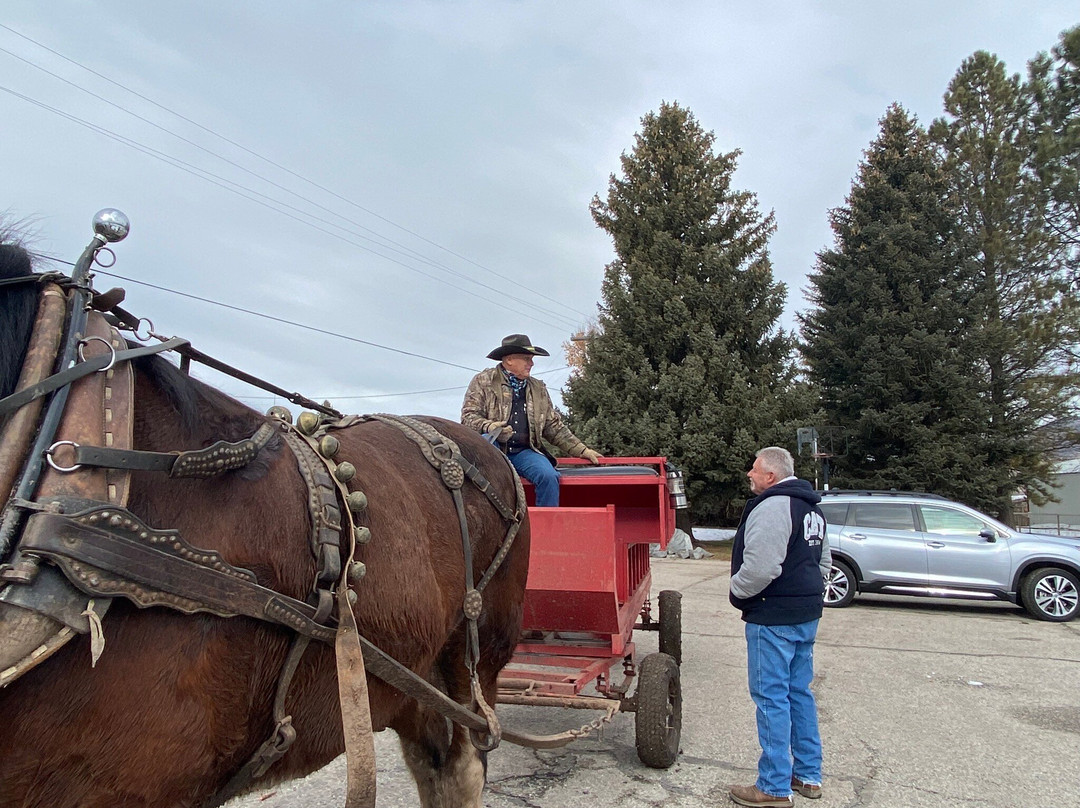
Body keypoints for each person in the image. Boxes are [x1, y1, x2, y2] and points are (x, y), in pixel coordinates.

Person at [728, 447, 831, 808]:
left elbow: (761, 568)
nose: (750, 474)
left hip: (773, 617)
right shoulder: (812, 508)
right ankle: (807, 775)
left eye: (754, 470)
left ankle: (772, 788)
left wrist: (737, 593)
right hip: (805, 615)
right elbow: (824, 561)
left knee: (771, 699)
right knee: (798, 693)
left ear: (771, 475)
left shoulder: (774, 506)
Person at [461, 334, 602, 506]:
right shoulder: (484, 381)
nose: (532, 363)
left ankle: (548, 527)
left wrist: (582, 450)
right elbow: (468, 417)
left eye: (532, 359)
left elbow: (553, 426)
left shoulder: (538, 388)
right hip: (493, 448)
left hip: (523, 451)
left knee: (549, 477)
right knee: (483, 466)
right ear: (510, 359)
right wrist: (489, 426)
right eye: (527, 358)